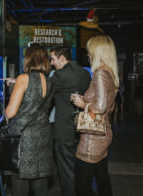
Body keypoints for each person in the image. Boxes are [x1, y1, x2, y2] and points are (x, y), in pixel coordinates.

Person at [70, 35, 119, 196]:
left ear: (98, 52)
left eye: (90, 51)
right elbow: (107, 104)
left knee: (81, 187)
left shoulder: (100, 73)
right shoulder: (110, 73)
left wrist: (83, 104)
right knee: (103, 180)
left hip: (92, 138)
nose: (88, 54)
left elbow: (101, 106)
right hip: (104, 132)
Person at [5, 43, 54, 196]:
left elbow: (10, 113)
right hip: (43, 138)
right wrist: (17, 84)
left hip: (24, 142)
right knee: (41, 188)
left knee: (20, 189)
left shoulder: (23, 78)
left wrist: (13, 88)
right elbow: (35, 99)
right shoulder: (50, 81)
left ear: (28, 60)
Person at [50, 45, 91, 196]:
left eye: (53, 59)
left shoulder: (59, 76)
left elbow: (43, 90)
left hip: (64, 131)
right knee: (78, 168)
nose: (51, 63)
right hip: (81, 129)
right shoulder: (85, 74)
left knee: (66, 173)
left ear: (62, 58)